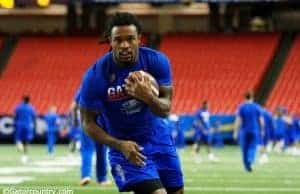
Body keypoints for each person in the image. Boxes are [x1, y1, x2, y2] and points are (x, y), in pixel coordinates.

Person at [78, 12, 184, 194]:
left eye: (130, 39)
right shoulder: (95, 76)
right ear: (110, 41)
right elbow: (87, 123)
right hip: (125, 145)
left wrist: (148, 97)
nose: (125, 45)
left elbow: (165, 110)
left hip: (158, 136)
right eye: (118, 40)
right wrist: (120, 145)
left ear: (139, 39)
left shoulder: (156, 61)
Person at [74, 91, 111, 186]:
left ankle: (86, 175)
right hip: (101, 123)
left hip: (86, 122)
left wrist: (75, 121)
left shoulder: (84, 86)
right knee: (101, 151)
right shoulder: (105, 86)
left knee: (86, 150)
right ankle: (102, 179)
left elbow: (74, 106)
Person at [234, 91, 264, 172]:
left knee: (244, 148)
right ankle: (250, 159)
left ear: (245, 97)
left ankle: (246, 166)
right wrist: (262, 130)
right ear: (252, 97)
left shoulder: (241, 107)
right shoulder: (257, 107)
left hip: (244, 130)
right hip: (254, 130)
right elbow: (261, 120)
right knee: (253, 147)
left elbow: (238, 120)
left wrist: (235, 131)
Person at [14, 96, 36, 164]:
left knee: (18, 140)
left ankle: (21, 151)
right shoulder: (31, 108)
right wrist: (34, 126)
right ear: (29, 101)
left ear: (23, 100)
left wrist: (15, 123)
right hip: (28, 126)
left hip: (19, 125)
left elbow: (15, 116)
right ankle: (25, 156)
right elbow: (34, 118)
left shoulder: (18, 107)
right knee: (26, 142)